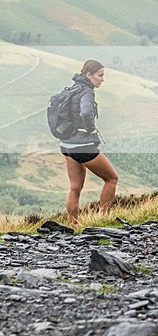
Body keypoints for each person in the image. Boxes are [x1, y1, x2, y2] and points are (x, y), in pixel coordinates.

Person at [60, 60, 117, 227]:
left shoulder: (72, 89)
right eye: (100, 75)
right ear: (88, 75)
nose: (102, 79)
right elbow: (86, 112)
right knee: (111, 179)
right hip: (82, 146)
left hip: (66, 145)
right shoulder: (86, 91)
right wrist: (90, 129)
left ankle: (73, 226)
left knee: (74, 187)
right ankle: (103, 220)